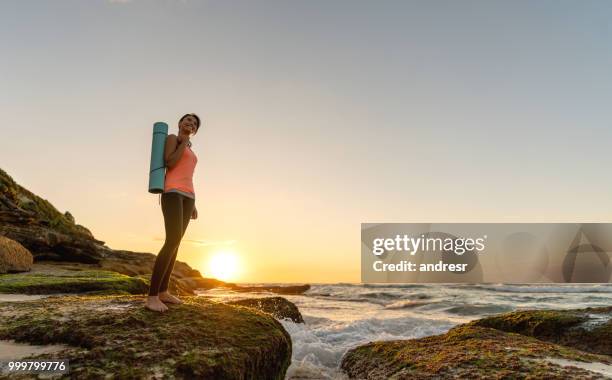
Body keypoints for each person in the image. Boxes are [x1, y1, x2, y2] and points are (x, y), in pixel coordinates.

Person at [145, 113, 201, 312]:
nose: (191, 123)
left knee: (176, 243)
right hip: (172, 193)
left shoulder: (189, 148)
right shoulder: (172, 139)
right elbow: (170, 162)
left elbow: (188, 174)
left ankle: (163, 291)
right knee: (171, 240)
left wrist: (193, 203)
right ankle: (152, 296)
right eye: (188, 120)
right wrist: (182, 142)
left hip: (188, 196)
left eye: (194, 123)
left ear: (195, 130)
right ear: (180, 123)